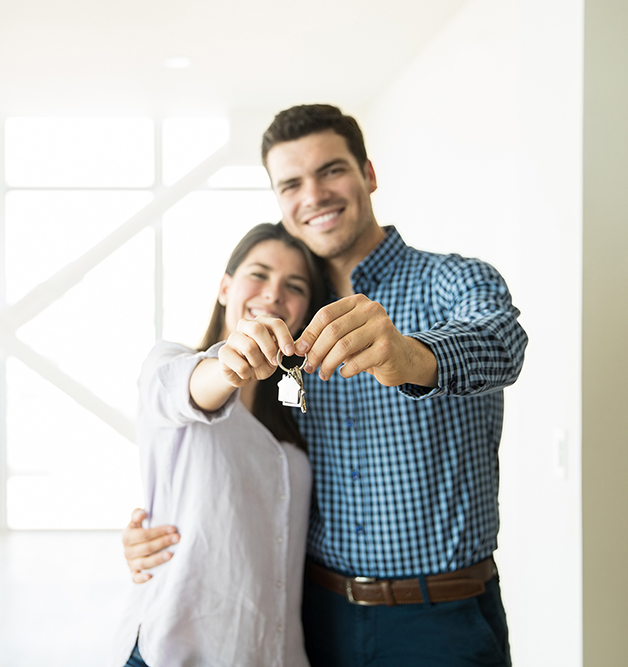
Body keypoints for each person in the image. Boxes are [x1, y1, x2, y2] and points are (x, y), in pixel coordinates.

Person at [122, 104, 528, 666]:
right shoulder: (286, 322)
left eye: (332, 171)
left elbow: (503, 344)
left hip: (440, 619)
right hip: (312, 617)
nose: (313, 195)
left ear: (368, 174)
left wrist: (410, 354)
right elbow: (220, 454)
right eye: (291, 183)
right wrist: (150, 531)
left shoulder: (452, 278)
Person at [113, 223, 328, 667]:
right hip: (176, 652)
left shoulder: (298, 416)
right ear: (225, 286)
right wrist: (228, 367)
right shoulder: (173, 364)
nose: (272, 294)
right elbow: (182, 389)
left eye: (294, 285)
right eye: (259, 274)